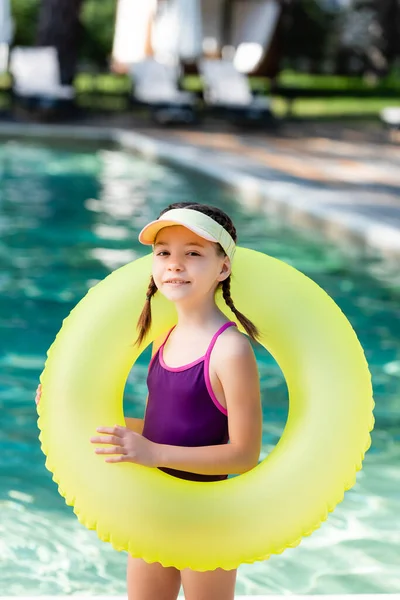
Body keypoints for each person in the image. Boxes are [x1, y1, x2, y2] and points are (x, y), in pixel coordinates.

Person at [36, 202, 263, 600]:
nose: (174, 264)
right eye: (163, 253)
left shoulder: (230, 350)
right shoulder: (164, 338)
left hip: (207, 518)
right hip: (153, 507)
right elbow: (165, 428)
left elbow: (243, 455)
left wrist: (154, 453)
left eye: (193, 253)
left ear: (223, 267)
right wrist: (65, 407)